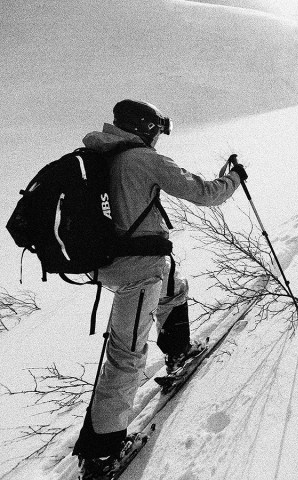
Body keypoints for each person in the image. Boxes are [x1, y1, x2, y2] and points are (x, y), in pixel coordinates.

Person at [72, 99, 247, 479]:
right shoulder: (143, 158)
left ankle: (178, 350)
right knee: (126, 355)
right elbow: (202, 193)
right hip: (137, 271)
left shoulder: (103, 153)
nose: (157, 139)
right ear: (145, 127)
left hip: (120, 263)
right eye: (155, 130)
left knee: (174, 287)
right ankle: (104, 452)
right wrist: (234, 180)